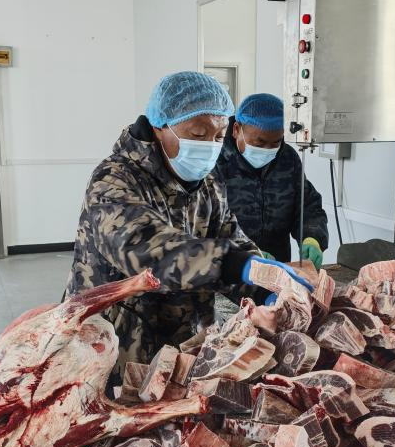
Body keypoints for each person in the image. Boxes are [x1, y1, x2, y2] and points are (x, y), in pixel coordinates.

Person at [66, 71, 311, 366]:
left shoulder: (208, 185)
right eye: (198, 134)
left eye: (218, 136)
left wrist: (265, 287)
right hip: (114, 346)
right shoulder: (113, 180)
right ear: (160, 126)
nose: (209, 145)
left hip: (185, 340)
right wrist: (235, 264)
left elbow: (231, 238)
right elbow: (147, 254)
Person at [215, 93, 329, 269]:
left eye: (276, 142)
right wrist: (244, 252)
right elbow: (201, 223)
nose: (267, 150)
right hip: (229, 268)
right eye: (259, 143)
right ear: (236, 130)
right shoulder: (215, 161)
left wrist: (312, 237)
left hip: (278, 266)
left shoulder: (288, 159)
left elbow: (306, 205)